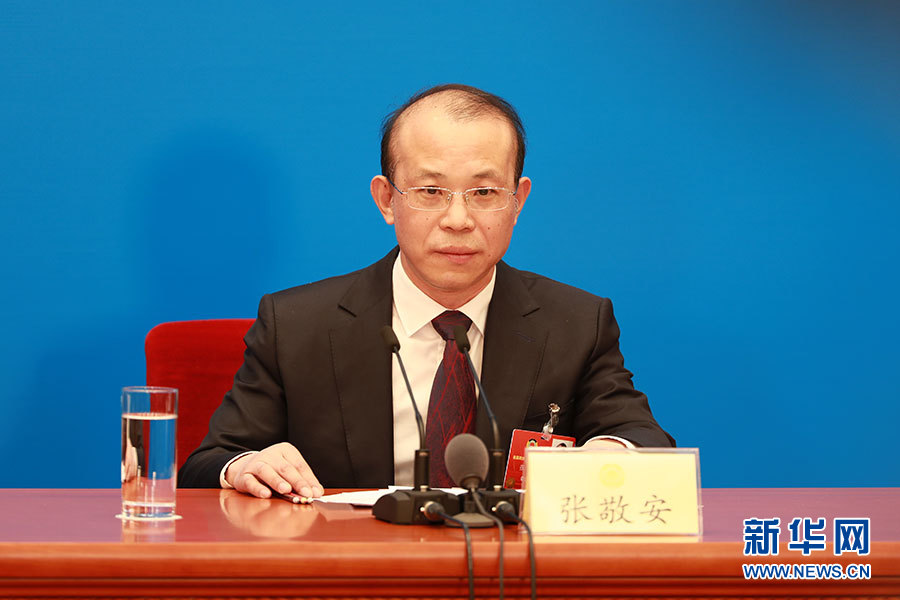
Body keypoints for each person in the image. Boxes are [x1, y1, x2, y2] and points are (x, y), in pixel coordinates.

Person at [178, 84, 674, 498]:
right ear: (386, 200)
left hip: (508, 570)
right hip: (352, 568)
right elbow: (208, 463)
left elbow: (641, 436)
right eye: (431, 191)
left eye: (484, 192)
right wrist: (245, 466)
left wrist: (610, 453)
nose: (458, 220)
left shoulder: (574, 323)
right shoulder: (297, 325)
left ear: (518, 200)